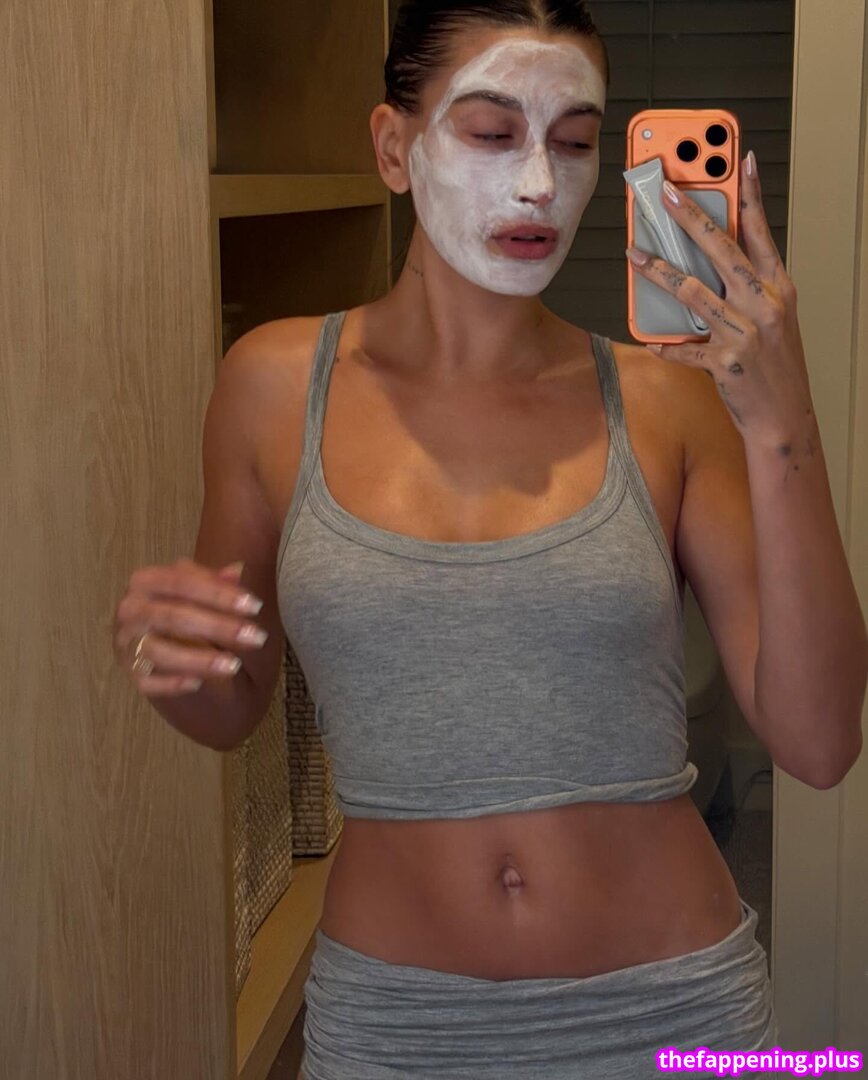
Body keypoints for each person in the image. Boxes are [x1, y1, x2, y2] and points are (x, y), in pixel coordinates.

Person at [113, 2, 867, 1076]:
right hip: (394, 1025)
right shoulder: (274, 387)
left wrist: (785, 426)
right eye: (492, 132)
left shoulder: (667, 399)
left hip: (673, 1012)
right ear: (393, 148)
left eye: (575, 141)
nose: (539, 184)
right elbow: (230, 705)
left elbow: (820, 742)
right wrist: (171, 657)